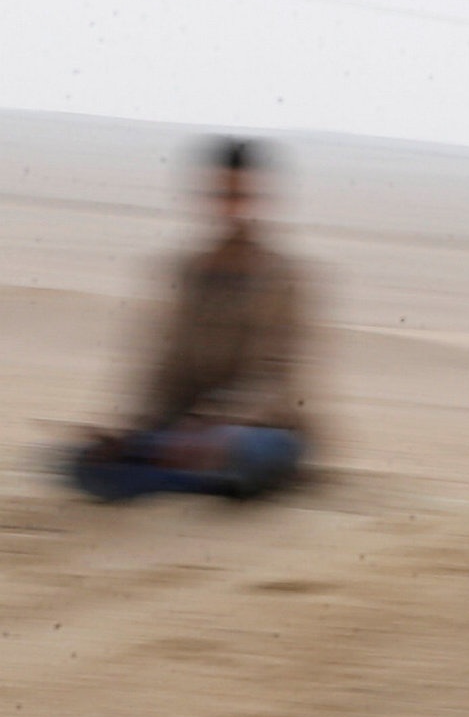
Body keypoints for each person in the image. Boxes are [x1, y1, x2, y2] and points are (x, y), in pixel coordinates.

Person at [68, 136, 314, 503]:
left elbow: (275, 378)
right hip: (181, 434)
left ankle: (178, 472)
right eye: (223, 196)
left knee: (253, 453)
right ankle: (191, 474)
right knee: (79, 462)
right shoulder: (185, 271)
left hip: (253, 430)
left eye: (241, 197)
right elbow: (164, 368)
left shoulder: (282, 276)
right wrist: (129, 430)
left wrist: (214, 425)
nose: (232, 210)